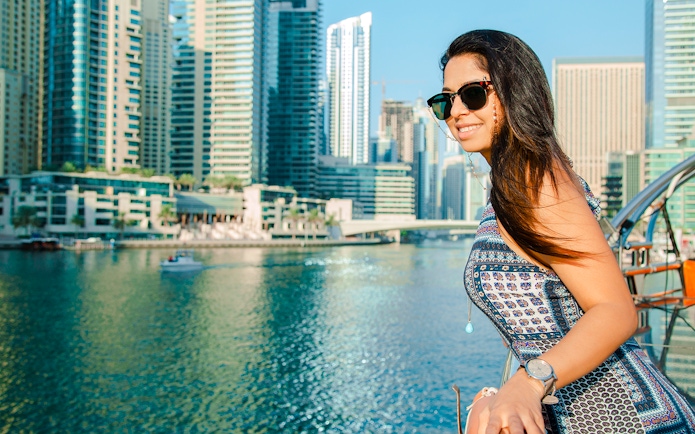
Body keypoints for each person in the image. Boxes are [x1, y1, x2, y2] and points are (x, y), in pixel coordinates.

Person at [426, 29, 695, 434]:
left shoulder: (538, 182)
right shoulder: (509, 184)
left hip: (621, 416)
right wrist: (497, 398)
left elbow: (615, 310)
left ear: (513, 91)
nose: (457, 111)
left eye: (473, 94)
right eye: (444, 101)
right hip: (568, 412)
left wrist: (528, 382)